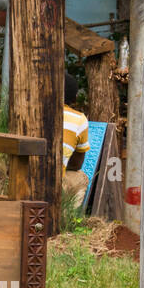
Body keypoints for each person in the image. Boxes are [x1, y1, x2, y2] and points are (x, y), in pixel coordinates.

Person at [62, 73, 91, 201]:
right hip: (54, 183)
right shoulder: (79, 119)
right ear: (74, 98)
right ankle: (70, 218)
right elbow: (76, 163)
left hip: (21, 176)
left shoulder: (30, 110)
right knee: (81, 177)